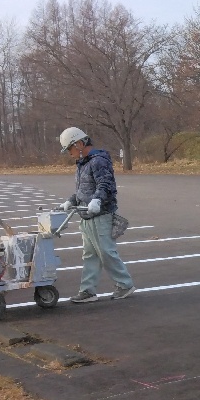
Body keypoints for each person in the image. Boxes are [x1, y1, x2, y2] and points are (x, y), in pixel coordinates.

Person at [57, 127, 135, 303]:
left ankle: (125, 284)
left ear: (79, 144)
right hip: (86, 215)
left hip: (100, 215)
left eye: (69, 149)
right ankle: (88, 291)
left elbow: (105, 183)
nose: (69, 153)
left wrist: (97, 200)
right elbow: (83, 189)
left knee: (106, 252)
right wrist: (71, 201)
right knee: (90, 255)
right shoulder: (83, 163)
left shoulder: (99, 160)